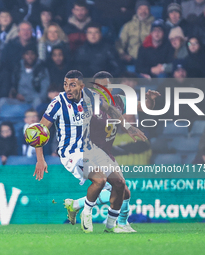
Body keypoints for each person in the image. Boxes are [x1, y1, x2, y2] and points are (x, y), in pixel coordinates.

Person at [33, 70, 147, 233]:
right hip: (71, 153)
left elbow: (112, 110)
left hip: (93, 151)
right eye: (66, 84)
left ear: (81, 86)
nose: (68, 89)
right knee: (99, 180)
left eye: (72, 85)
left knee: (121, 185)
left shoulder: (91, 99)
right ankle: (86, 213)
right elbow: (40, 131)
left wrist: (128, 127)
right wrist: (40, 159)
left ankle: (110, 226)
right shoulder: (58, 103)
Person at [64, 71, 160, 232]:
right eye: (99, 87)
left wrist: (150, 100)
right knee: (120, 189)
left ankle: (77, 205)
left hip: (106, 155)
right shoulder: (86, 104)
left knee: (124, 191)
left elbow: (145, 107)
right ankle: (117, 223)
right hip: (89, 154)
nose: (103, 90)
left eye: (106, 86)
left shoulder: (119, 102)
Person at [11, 44, 50, 109]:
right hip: (18, 100)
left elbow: (43, 94)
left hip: (34, 101)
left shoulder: (42, 70)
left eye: (32, 54)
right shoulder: (17, 69)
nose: (30, 56)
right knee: (2, 102)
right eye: (27, 54)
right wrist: (15, 95)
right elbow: (13, 88)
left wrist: (26, 98)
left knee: (38, 101)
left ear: (36, 56)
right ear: (23, 56)